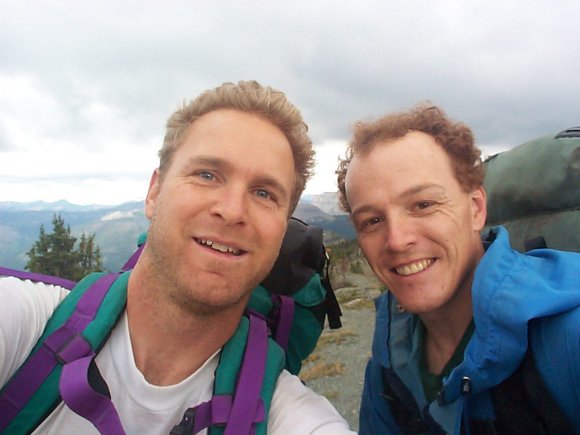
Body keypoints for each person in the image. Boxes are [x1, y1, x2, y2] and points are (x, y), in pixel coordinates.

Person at [0, 81, 356, 434]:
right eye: (207, 175)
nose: (232, 211)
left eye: (264, 193)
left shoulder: (291, 418)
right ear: (154, 192)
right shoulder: (24, 326)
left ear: (282, 230)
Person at [336, 104, 580, 434]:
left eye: (423, 205)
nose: (396, 240)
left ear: (476, 209)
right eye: (372, 220)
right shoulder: (389, 361)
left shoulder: (565, 338)